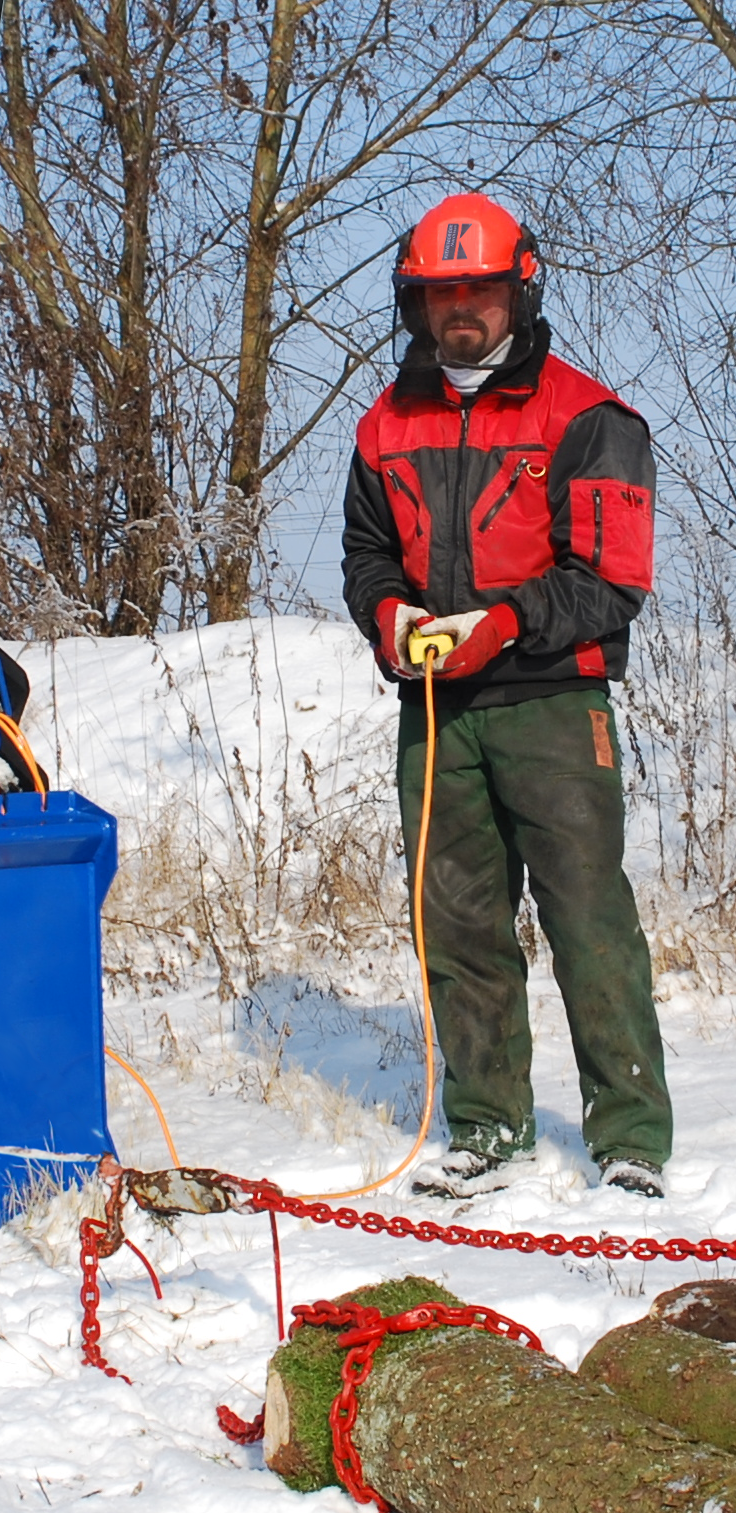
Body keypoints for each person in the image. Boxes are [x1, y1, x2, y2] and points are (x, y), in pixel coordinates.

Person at [342, 192, 671, 1199]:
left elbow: (609, 579)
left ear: (519, 288)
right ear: (414, 302)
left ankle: (630, 1137)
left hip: (552, 706)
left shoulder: (587, 416)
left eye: (478, 288)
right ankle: (487, 1124)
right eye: (440, 293)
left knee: (587, 915)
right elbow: (363, 554)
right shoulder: (383, 423)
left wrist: (502, 622)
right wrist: (388, 614)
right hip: (437, 713)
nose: (460, 310)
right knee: (458, 922)